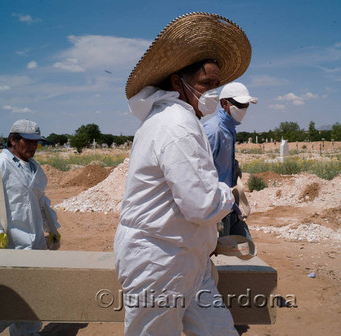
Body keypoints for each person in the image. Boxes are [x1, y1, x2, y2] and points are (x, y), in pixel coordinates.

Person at [114, 12, 252, 336]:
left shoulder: (177, 119)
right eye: (206, 84)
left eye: (216, 85)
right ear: (178, 81)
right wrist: (228, 194)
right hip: (160, 264)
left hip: (185, 259)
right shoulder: (176, 125)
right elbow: (201, 204)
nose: (213, 93)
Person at [0, 119, 61, 336]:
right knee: (13, 297)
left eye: (37, 142)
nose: (34, 147)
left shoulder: (35, 169)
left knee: (33, 297)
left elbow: (41, 202)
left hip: (34, 244)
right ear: (13, 140)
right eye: (29, 141)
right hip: (9, 246)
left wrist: (52, 229)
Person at [203, 82, 258, 238]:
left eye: (246, 105)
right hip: (216, 206)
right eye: (240, 104)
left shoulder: (229, 128)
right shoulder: (214, 130)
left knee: (243, 243)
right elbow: (202, 172)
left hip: (228, 204)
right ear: (224, 103)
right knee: (214, 249)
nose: (244, 109)